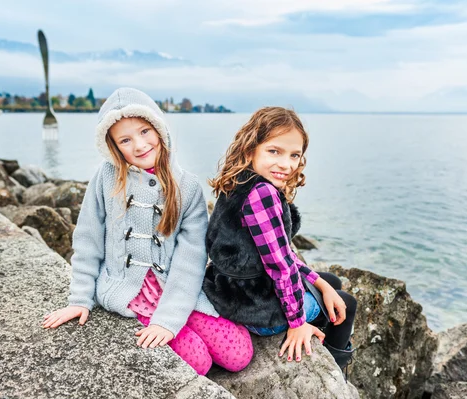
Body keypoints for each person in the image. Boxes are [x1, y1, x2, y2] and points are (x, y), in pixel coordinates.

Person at [43, 87, 253, 375]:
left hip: (177, 289)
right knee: (197, 363)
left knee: (238, 354)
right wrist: (80, 300)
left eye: (144, 131)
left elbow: (191, 257)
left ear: (158, 127)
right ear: (114, 146)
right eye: (125, 140)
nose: (140, 145)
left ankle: (180, 319)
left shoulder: (187, 187)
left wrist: (170, 318)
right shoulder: (106, 178)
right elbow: (88, 240)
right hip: (132, 293)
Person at [203, 107, 356, 370]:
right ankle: (335, 371)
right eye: (274, 151)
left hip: (227, 289)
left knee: (330, 282)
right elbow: (280, 265)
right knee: (348, 304)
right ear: (251, 149)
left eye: (294, 155)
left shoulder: (239, 179)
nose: (286, 164)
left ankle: (318, 325)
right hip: (255, 307)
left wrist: (322, 284)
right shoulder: (262, 194)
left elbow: (275, 252)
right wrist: (296, 323)